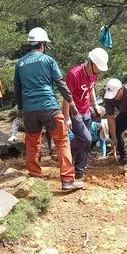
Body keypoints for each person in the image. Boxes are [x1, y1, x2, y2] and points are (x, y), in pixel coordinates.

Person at [14, 27, 84, 191]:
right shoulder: (48, 60)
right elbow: (60, 83)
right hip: (49, 107)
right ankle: (67, 180)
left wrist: (21, 108)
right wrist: (71, 104)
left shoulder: (20, 63)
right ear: (43, 44)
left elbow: (18, 89)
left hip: (29, 110)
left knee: (32, 143)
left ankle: (35, 178)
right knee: (62, 141)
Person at [62, 47, 108, 179]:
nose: (99, 70)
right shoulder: (74, 74)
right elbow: (66, 97)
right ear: (91, 63)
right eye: (98, 67)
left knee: (85, 142)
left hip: (86, 110)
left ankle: (79, 170)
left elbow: (91, 88)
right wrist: (67, 118)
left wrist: (95, 105)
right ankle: (67, 152)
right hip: (75, 112)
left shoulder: (94, 74)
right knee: (86, 139)